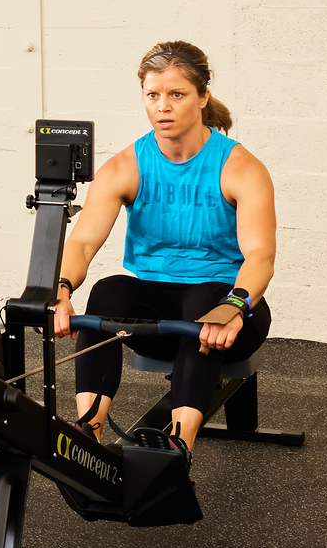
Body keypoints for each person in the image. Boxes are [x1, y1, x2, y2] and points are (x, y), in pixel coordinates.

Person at [50, 41, 278, 453]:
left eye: (177, 94)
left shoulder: (240, 167)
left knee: (206, 300)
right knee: (108, 291)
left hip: (231, 320)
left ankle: (178, 446)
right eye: (153, 95)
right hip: (159, 324)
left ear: (202, 97)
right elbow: (82, 242)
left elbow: (261, 255)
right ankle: (90, 433)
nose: (163, 106)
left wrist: (236, 305)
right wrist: (61, 292)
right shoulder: (127, 165)